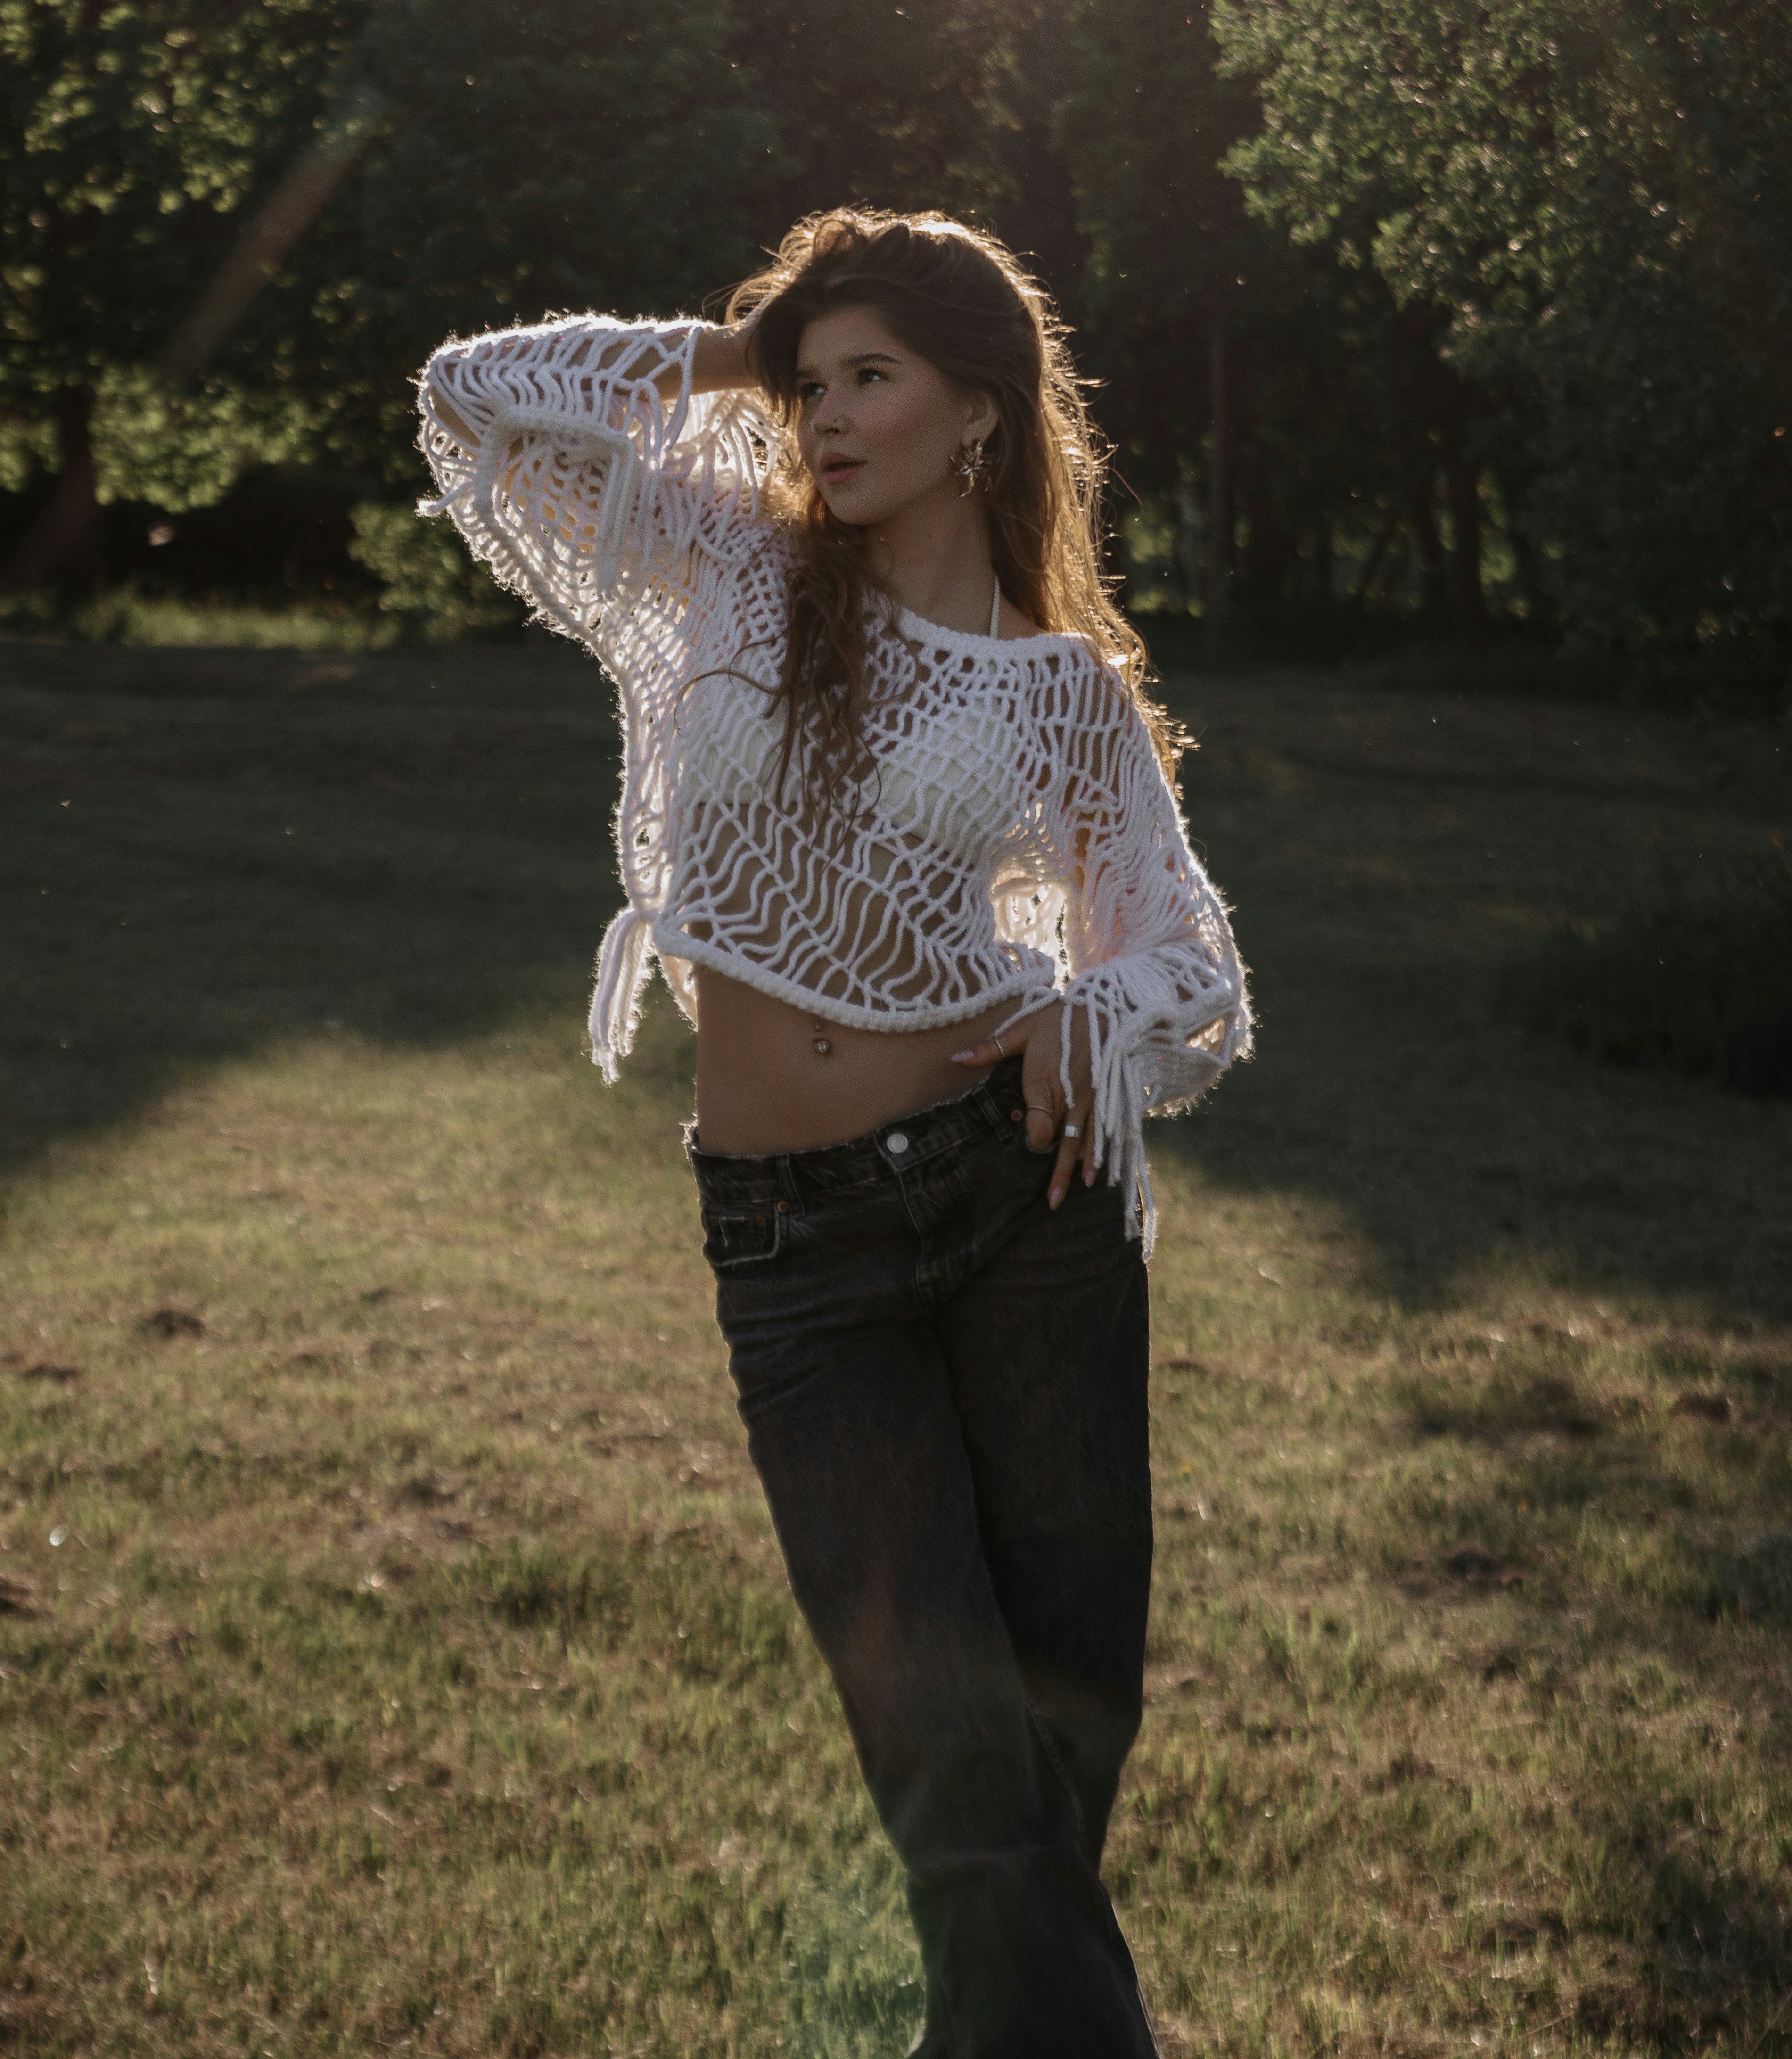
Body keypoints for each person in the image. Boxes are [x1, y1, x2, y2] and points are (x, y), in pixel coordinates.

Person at [418, 207, 1249, 2058]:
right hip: (797, 1253)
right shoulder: (719, 560)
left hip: (1019, 1217)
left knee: (1047, 1750)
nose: (830, 414)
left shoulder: (1059, 689)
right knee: (958, 1769)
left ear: (981, 410)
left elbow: (1184, 969)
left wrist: (1074, 1003)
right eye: (816, 384)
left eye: (871, 376)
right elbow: (477, 399)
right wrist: (759, 346)